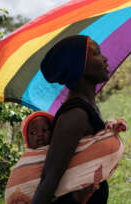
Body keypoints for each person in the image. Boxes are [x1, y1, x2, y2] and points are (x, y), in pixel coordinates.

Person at [31, 35, 126, 204]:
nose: (104, 58)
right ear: (78, 65)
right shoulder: (75, 114)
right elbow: (49, 180)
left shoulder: (86, 108)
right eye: (96, 53)